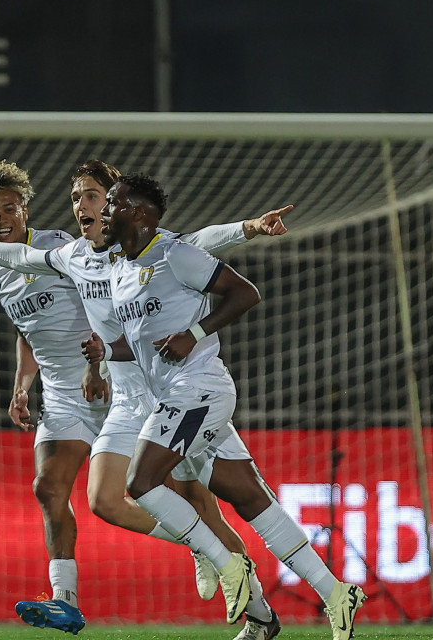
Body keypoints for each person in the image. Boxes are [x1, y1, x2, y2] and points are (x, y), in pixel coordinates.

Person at [0, 160, 292, 639]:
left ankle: (254, 605)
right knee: (55, 489)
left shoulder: (78, 248)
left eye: (9, 208)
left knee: (197, 502)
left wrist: (247, 228)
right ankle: (65, 600)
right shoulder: (0, 271)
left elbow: (189, 244)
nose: (0, 218)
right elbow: (28, 330)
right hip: (66, 395)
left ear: (26, 209)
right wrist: (21, 384)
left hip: (128, 384)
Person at [81, 174, 365, 640]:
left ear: (137, 212)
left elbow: (245, 292)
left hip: (199, 391)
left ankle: (226, 563)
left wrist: (194, 334)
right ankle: (334, 595)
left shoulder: (174, 253)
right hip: (177, 396)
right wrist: (106, 354)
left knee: (141, 480)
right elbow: (146, 347)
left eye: (111, 203)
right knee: (251, 497)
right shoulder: (120, 270)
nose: (103, 213)